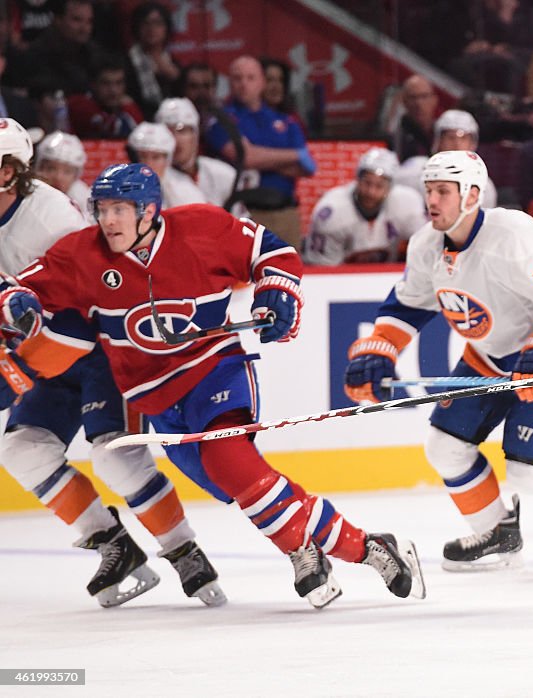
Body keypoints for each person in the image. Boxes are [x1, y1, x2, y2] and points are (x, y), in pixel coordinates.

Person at [0, 163, 425, 608]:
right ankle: (367, 545)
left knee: (232, 465)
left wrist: (277, 292)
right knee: (244, 486)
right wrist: (18, 303)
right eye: (102, 209)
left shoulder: (201, 228)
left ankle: (331, 550)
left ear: (148, 211)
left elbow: (273, 254)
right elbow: (22, 288)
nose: (108, 220)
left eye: (120, 209)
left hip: (214, 372)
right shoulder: (82, 254)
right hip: (157, 400)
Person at [0, 119, 222, 607]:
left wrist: (20, 366)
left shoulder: (50, 217)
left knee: (114, 452)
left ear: (11, 172)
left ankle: (182, 548)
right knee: (22, 449)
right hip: (47, 347)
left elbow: (88, 309)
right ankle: (114, 546)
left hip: (99, 345)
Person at [344, 150, 533, 569]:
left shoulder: (513, 234)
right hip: (486, 360)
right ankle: (499, 532)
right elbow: (407, 307)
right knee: (444, 447)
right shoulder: (425, 245)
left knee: (532, 474)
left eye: (442, 191)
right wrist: (380, 349)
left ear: (471, 194)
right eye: (428, 191)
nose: (431, 201)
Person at [206, 55, 316, 249]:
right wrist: (293, 154)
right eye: (237, 78)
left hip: (286, 214)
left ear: (262, 82)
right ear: (229, 82)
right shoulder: (221, 119)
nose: (244, 84)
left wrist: (263, 158)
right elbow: (246, 158)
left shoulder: (286, 120)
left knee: (290, 275)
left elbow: (305, 168)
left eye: (251, 78)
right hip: (246, 213)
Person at [303, 147, 426, 266]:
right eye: (367, 182)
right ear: (357, 179)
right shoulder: (333, 211)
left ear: (390, 188)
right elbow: (322, 272)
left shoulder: (407, 203)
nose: (371, 192)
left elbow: (425, 251)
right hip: (341, 280)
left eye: (379, 185)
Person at [394, 109, 498, 209]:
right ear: (438, 141)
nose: (457, 144)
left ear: (472, 144)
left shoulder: (484, 185)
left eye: (463, 138)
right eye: (451, 137)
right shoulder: (413, 170)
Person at [155, 97, 238, 208]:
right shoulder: (154, 182)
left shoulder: (223, 174)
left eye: (182, 130)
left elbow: (242, 221)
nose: (174, 139)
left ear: (196, 134)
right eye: (167, 131)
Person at [127, 121, 206, 208]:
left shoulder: (185, 190)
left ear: (167, 160)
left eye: (156, 157)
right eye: (143, 156)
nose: (148, 164)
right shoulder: (120, 188)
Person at [124, 2, 180, 120]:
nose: (151, 29)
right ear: (137, 27)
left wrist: (177, 78)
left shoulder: (174, 64)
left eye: (158, 23)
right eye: (146, 23)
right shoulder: (127, 63)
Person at [67, 55, 144, 138]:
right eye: (106, 83)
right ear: (93, 84)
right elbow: (112, 129)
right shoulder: (80, 105)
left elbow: (142, 135)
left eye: (119, 83)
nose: (113, 90)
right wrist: (129, 107)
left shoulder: (125, 108)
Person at [33, 130, 90, 214]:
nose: (58, 177)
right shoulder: (30, 194)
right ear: (39, 168)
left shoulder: (82, 199)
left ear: (76, 176)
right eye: (51, 169)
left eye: (67, 172)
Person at [391, 74, 438, 163]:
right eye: (413, 97)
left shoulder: (443, 132)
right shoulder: (395, 136)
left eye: (424, 96)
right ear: (404, 101)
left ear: (434, 100)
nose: (418, 104)